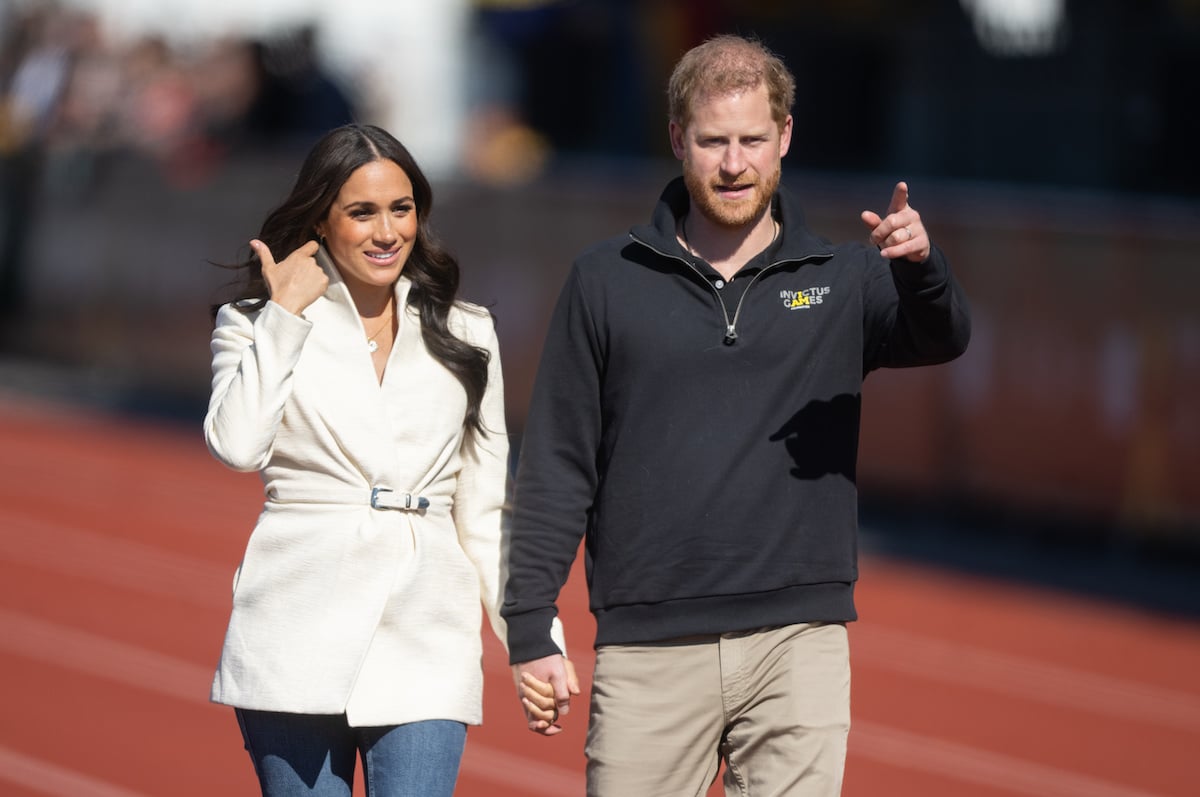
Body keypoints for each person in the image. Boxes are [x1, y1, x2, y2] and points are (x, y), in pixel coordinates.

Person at [502, 35, 971, 796]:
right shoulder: (603, 279)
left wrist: (922, 268)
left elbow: (941, 335)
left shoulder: (843, 275)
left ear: (785, 136)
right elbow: (559, 459)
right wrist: (530, 621)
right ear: (678, 138)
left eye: (753, 139)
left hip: (799, 643)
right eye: (714, 141)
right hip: (647, 648)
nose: (733, 163)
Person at [204, 123, 566, 797]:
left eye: (401, 209)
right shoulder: (255, 322)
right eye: (362, 212)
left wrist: (534, 635)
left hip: (426, 625)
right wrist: (283, 315)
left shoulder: (466, 330)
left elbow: (485, 511)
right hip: (295, 623)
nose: (386, 231)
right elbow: (236, 444)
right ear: (320, 218)